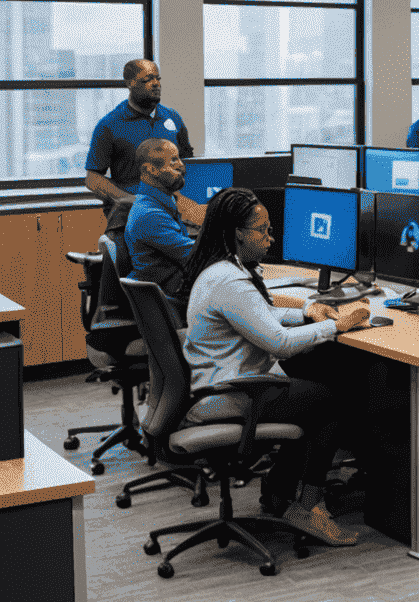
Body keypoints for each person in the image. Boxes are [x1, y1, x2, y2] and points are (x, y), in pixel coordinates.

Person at [181, 188, 373, 547]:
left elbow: (258, 315)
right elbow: (278, 343)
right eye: (262, 231)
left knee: (317, 384)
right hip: (232, 392)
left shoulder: (223, 269)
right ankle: (307, 507)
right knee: (331, 401)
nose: (271, 238)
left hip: (221, 382)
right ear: (238, 233)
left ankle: (278, 490)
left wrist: (304, 312)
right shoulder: (230, 281)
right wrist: (338, 324)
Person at [85, 59, 204, 225]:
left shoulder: (172, 117)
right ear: (130, 83)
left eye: (158, 79)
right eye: (147, 79)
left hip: (174, 212)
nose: (156, 84)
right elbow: (93, 178)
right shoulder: (109, 124)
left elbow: (189, 163)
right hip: (132, 215)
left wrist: (189, 203)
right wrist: (131, 201)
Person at [124, 139, 197, 315]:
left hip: (176, 290)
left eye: (179, 158)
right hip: (173, 300)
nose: (181, 165)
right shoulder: (150, 214)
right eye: (173, 161)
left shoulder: (160, 202)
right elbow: (195, 256)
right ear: (150, 169)